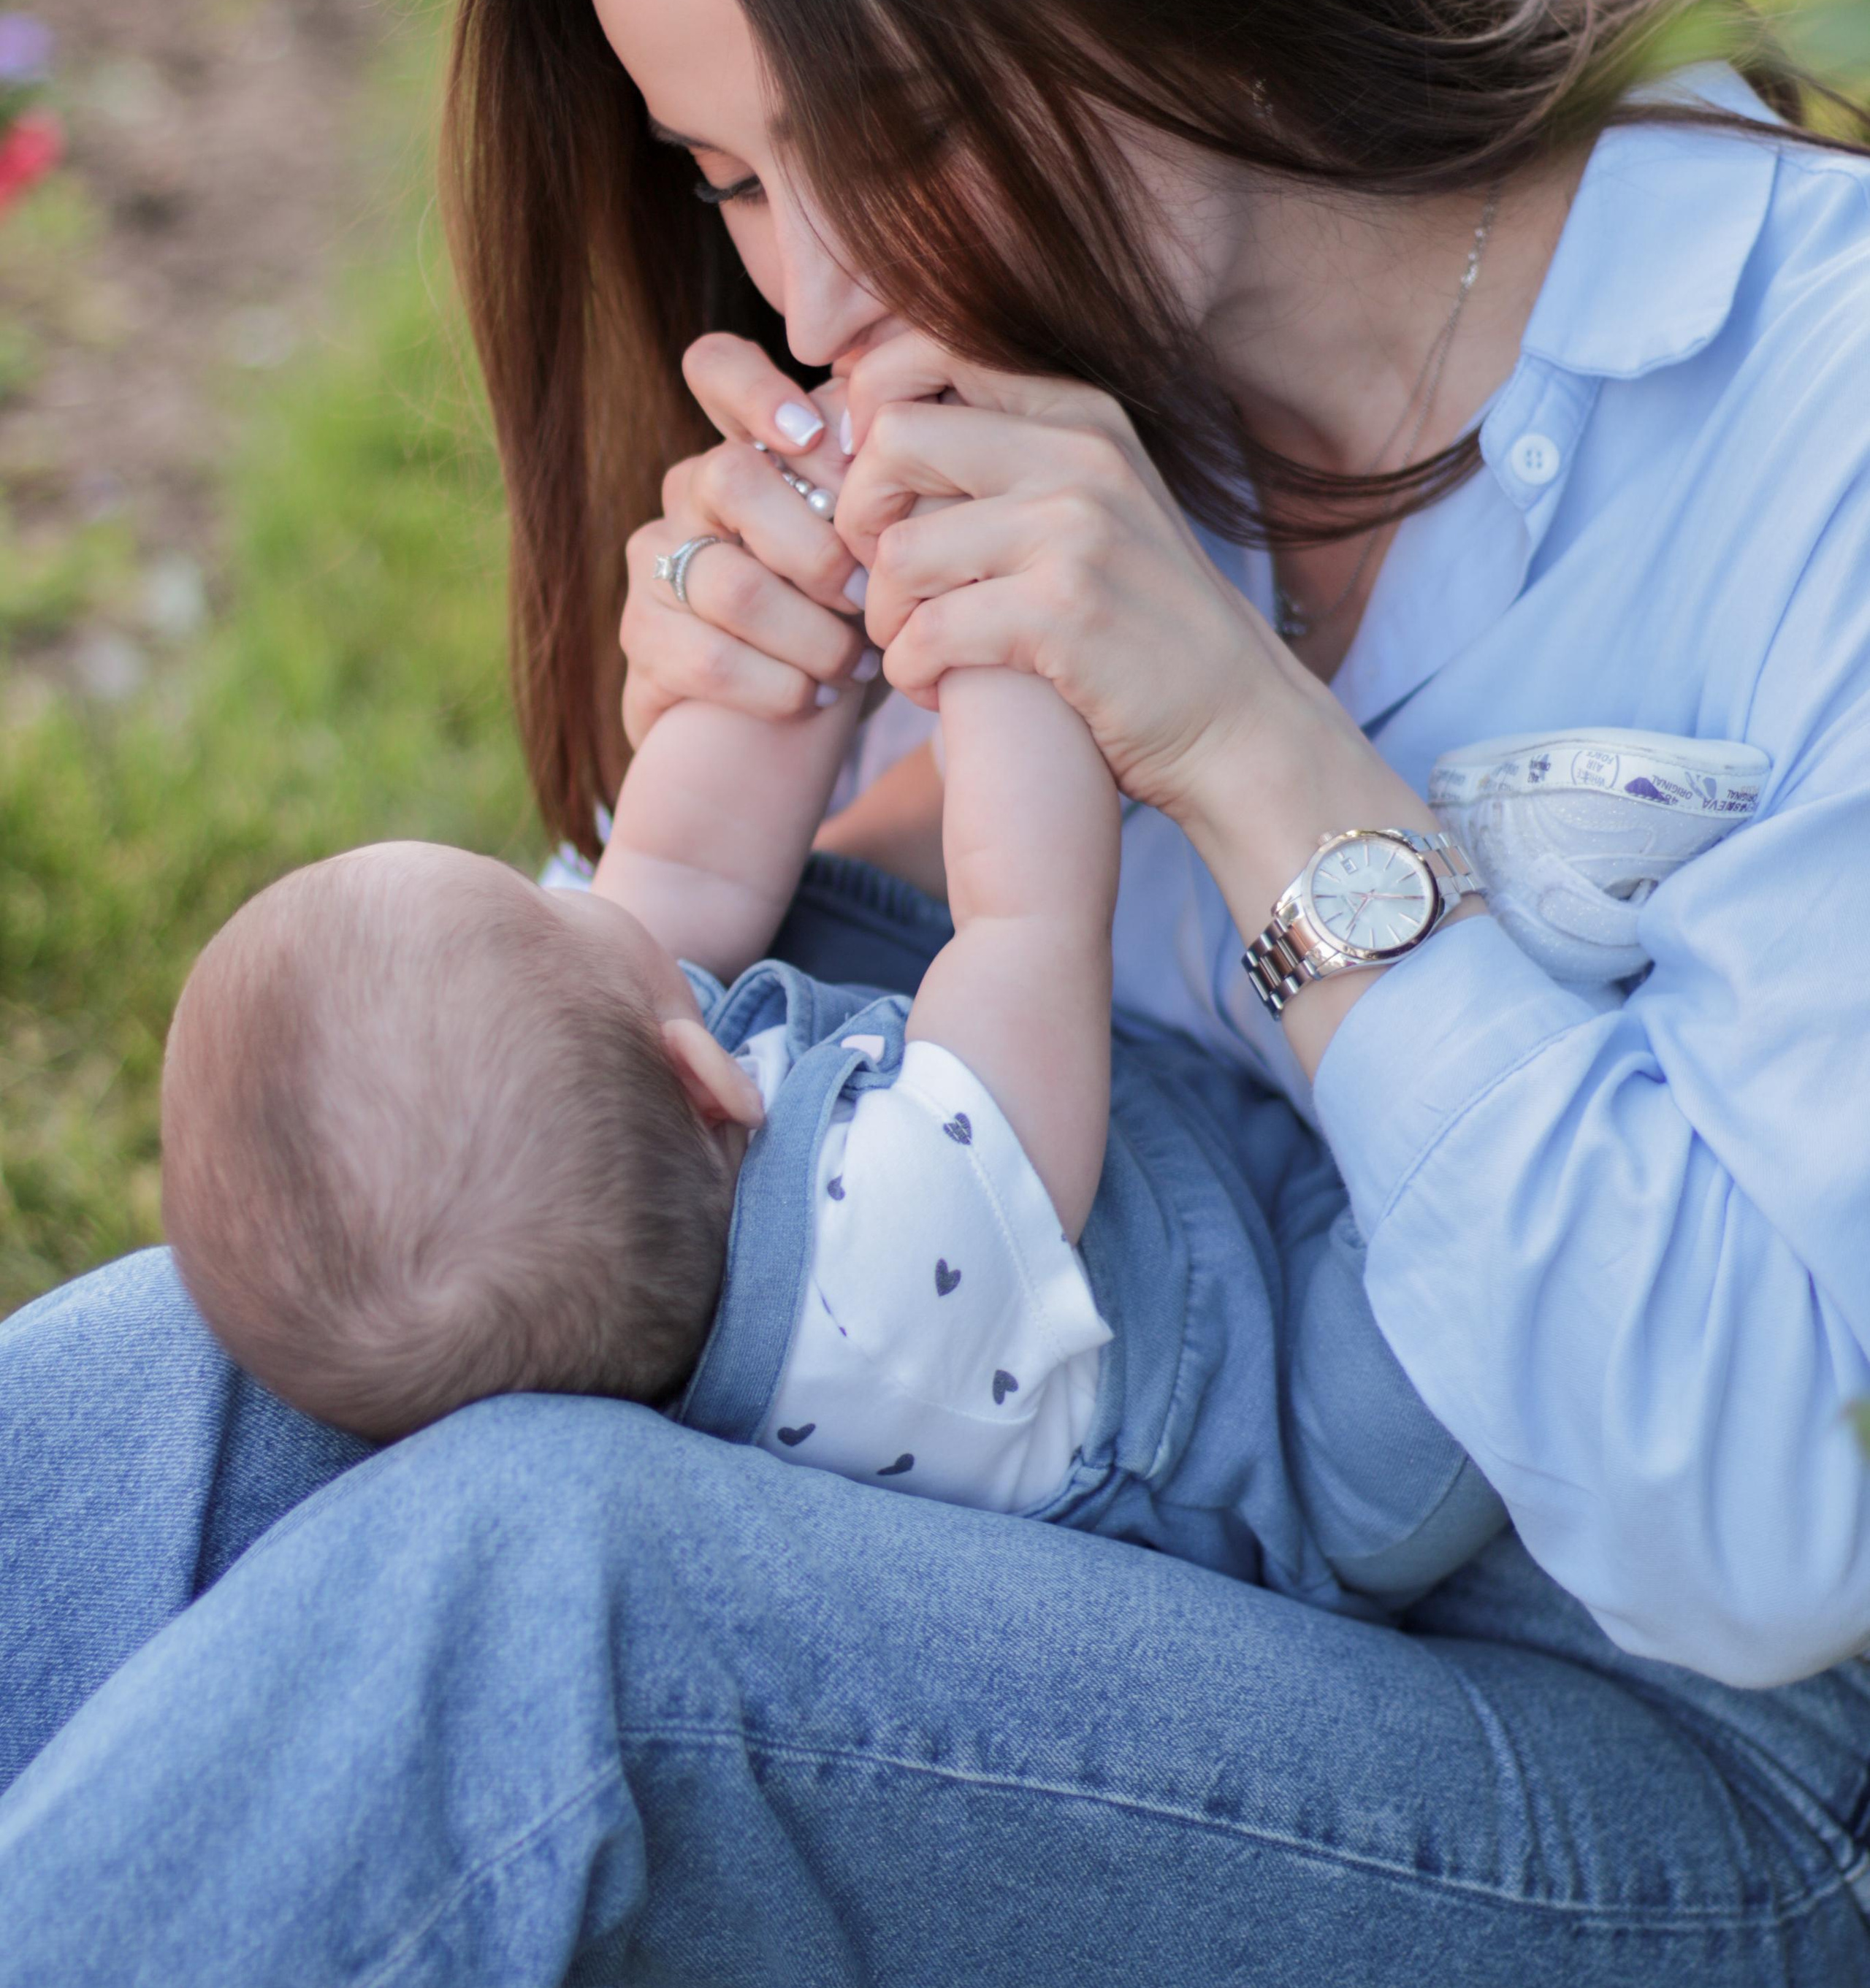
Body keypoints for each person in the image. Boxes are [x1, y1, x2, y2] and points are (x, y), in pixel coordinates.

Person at [4, 0, 1870, 1988]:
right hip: (1127, 1483)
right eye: (739, 175)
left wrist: (1245, 747)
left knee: (545, 1596)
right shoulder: (1060, 391)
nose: (819, 288)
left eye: (885, 122)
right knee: (322, 1285)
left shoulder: (1814, 407)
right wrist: (690, 848)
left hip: (1646, 1779)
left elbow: (1761, 1541)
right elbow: (659, 1228)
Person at [161, 640, 1499, 1603]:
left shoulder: (638, 1199)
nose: (574, 885)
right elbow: (1028, 911)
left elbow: (680, 863)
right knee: (1471, 1262)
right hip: (1294, 1435)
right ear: (702, 1078)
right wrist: (1008, 628)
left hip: (1178, 1209)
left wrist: (795, 610)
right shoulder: (897, 1249)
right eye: (539, 901)